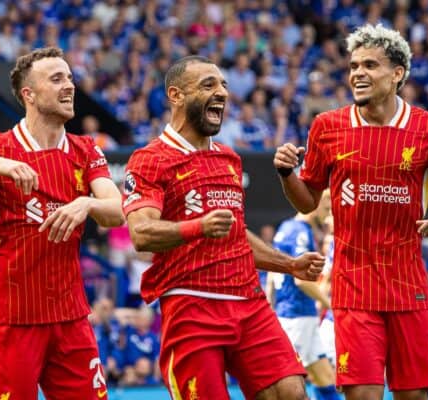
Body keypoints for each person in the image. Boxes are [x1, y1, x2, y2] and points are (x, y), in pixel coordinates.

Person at [273, 24, 428, 400]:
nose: (357, 73)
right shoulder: (327, 127)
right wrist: (287, 174)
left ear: (397, 73)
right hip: (354, 287)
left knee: (414, 396)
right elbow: (306, 202)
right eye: (354, 66)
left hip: (409, 287)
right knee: (363, 396)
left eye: (370, 65)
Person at [122, 55, 325, 400]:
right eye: (208, 85)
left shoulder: (229, 159)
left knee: (291, 392)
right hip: (192, 307)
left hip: (249, 301)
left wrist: (288, 265)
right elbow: (142, 234)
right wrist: (197, 227)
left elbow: (234, 234)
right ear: (176, 95)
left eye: (224, 85)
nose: (222, 93)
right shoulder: (149, 159)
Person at [0, 47, 124, 400]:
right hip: (15, 318)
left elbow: (117, 210)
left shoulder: (85, 149)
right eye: (57, 78)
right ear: (28, 95)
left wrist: (87, 203)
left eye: (70, 78)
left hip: (71, 319)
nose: (70, 86)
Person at [266, 190, 340, 400]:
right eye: (325, 200)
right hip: (295, 317)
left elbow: (273, 271)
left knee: (325, 378)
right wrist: (330, 304)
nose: (328, 206)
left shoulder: (286, 228)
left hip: (299, 315)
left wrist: (271, 304)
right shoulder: (300, 231)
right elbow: (301, 281)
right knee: (286, 386)